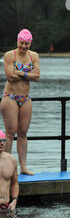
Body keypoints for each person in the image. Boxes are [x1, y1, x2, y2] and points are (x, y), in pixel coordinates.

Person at [1, 29, 40, 175]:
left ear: (30, 43)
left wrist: (20, 72)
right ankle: (7, 165)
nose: (23, 46)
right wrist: (28, 74)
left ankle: (23, 166)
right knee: (10, 133)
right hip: (10, 97)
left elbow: (37, 77)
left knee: (23, 133)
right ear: (17, 41)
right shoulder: (9, 55)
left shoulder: (33, 55)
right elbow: (10, 77)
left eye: (27, 43)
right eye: (21, 43)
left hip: (25, 98)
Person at [0, 129, 19, 212]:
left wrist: (14, 200)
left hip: (6, 206)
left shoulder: (11, 160)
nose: (2, 143)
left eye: (4, 140)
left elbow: (15, 183)